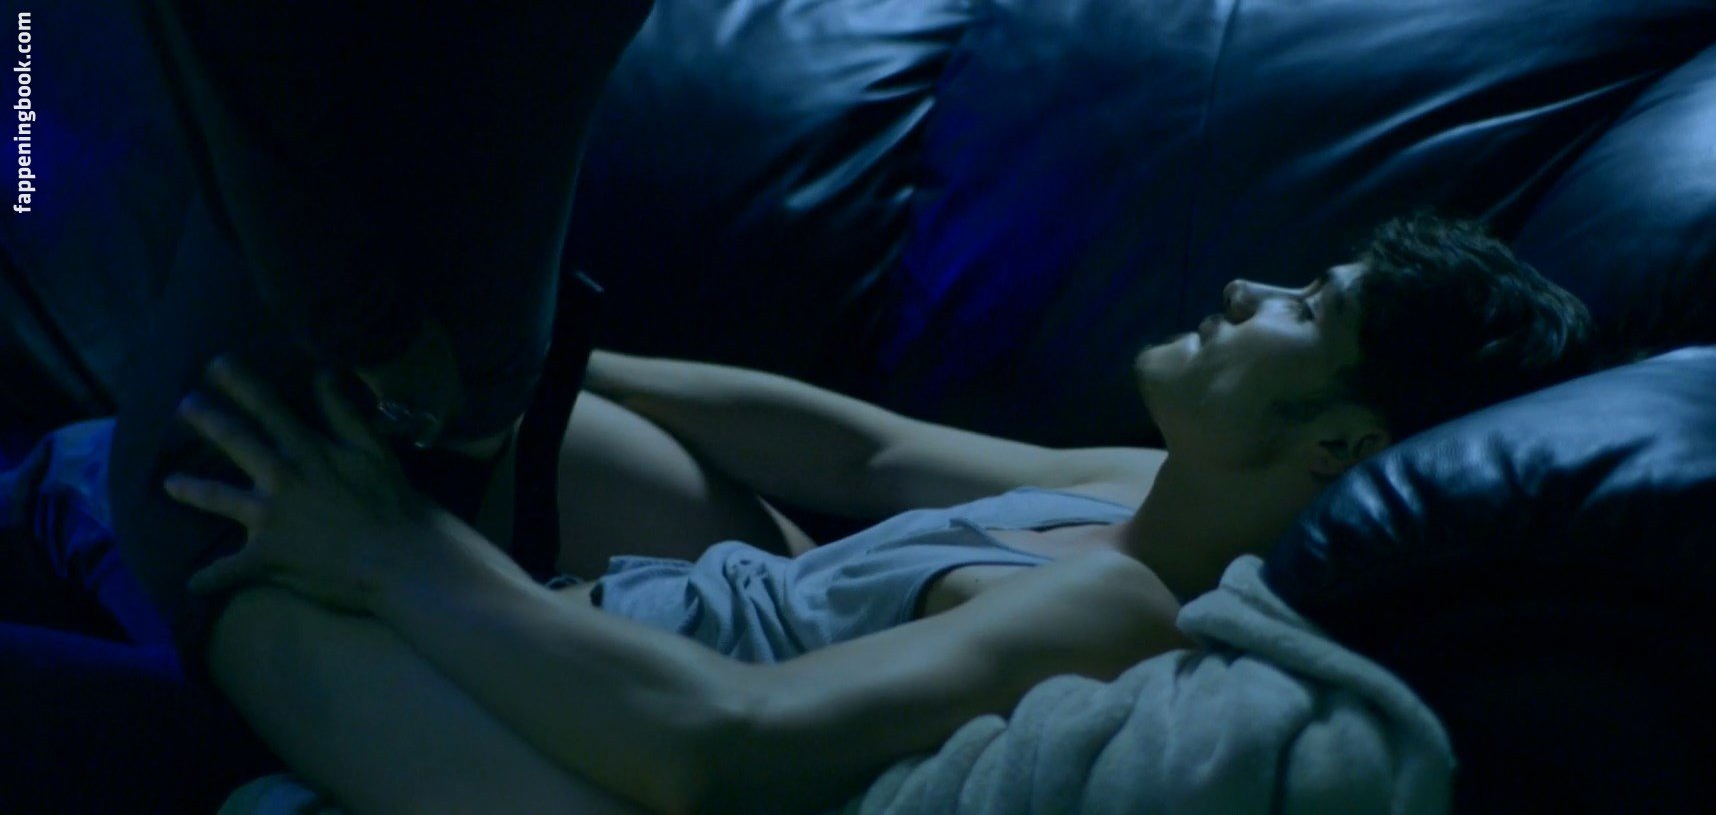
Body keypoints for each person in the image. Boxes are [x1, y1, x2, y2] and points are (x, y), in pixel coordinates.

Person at [149, 213, 1595, 813]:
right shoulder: (1130, 488)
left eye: (1307, 308)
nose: (1248, 291)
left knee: (216, 542)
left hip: (610, 746)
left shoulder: (1124, 613)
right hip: (708, 597)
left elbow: (718, 747)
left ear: (1341, 441)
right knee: (405, 391)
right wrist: (521, 359)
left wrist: (395, 559)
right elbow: (869, 451)